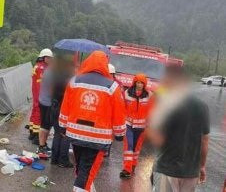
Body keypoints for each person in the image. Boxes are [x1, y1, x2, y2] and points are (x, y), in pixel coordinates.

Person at [59, 51, 126, 191]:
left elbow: (65, 107)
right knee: (87, 172)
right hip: (97, 138)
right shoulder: (112, 87)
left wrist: (62, 127)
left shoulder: (75, 81)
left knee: (81, 168)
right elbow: (119, 113)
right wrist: (119, 133)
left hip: (75, 134)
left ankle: (82, 188)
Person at [148, 66, 210, 192]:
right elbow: (205, 140)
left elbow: (156, 136)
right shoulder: (202, 106)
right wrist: (202, 166)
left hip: (167, 168)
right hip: (191, 172)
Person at [120, 73, 154, 179]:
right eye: (138, 82)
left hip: (142, 127)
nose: (139, 85)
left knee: (136, 148)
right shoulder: (126, 93)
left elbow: (152, 111)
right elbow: (122, 108)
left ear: (144, 84)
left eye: (141, 83)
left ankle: (133, 165)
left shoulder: (150, 95)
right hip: (128, 125)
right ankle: (127, 169)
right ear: (134, 83)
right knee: (129, 146)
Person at [48, 54, 74, 168]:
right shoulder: (70, 81)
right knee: (65, 134)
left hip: (54, 106)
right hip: (64, 109)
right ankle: (63, 160)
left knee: (57, 133)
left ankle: (54, 159)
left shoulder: (57, 77)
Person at [29, 48, 53, 145]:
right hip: (40, 92)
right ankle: (36, 134)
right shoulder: (43, 68)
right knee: (39, 113)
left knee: (35, 110)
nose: (51, 60)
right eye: (49, 58)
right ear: (44, 58)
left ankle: (32, 131)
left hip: (36, 91)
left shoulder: (37, 66)